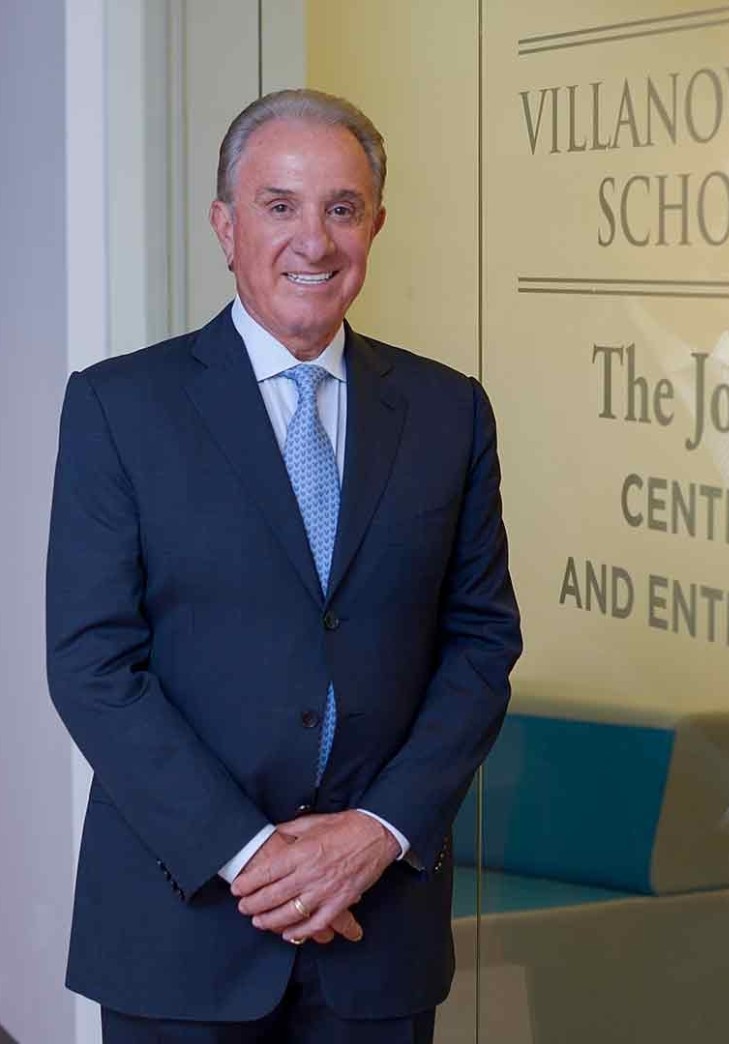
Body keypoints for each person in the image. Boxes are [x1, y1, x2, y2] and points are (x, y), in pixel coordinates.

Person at [45, 88, 521, 1042]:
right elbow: (93, 666)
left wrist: (375, 832)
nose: (315, 239)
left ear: (376, 225)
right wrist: (253, 855)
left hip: (377, 925)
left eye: (342, 208)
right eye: (280, 206)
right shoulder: (119, 408)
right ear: (225, 226)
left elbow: (480, 643)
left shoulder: (447, 412)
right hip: (181, 928)